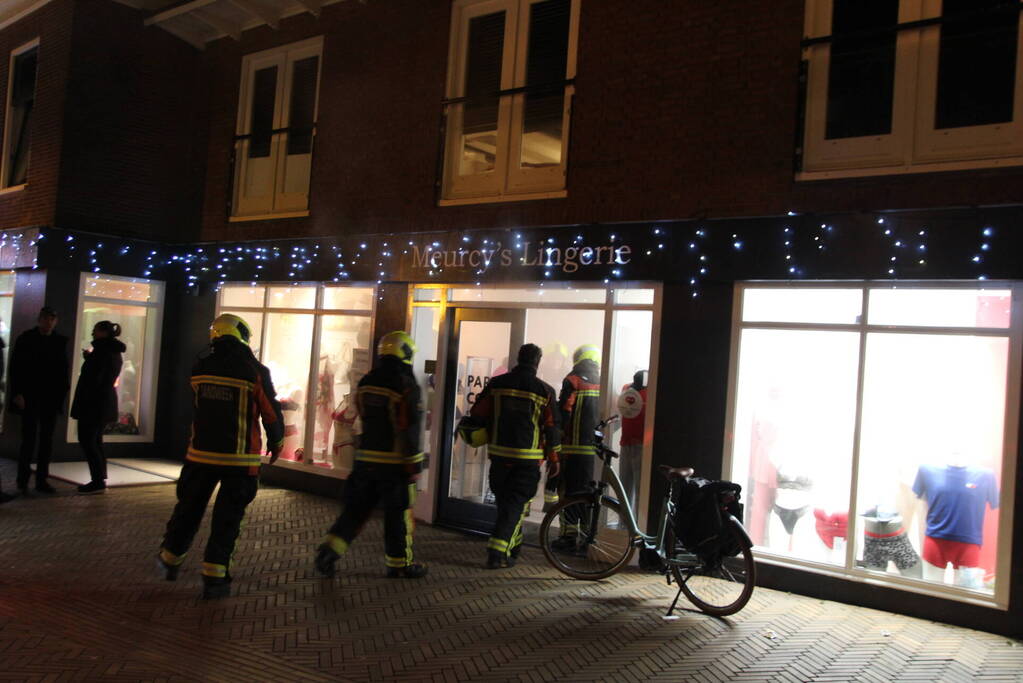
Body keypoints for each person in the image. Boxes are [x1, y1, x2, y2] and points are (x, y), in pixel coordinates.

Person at [158, 313, 284, 600]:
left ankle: (169, 559)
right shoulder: (254, 370)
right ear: (243, 336)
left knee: (188, 510)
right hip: (239, 462)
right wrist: (277, 441)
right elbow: (270, 411)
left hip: (200, 455)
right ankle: (215, 577)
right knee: (227, 519)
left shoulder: (200, 366)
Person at [315, 331, 427, 579]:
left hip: (365, 461)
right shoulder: (405, 386)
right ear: (405, 354)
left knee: (355, 511)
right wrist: (414, 467)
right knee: (397, 516)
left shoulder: (367, 381)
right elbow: (409, 429)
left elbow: (363, 416)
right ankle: (399, 564)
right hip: (394, 465)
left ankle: (329, 551)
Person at [462, 343, 561, 569]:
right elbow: (552, 427)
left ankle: (513, 549)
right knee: (515, 504)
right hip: (527, 460)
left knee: (508, 505)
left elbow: (478, 412)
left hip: (498, 457)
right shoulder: (544, 390)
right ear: (537, 362)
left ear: (518, 358)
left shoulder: (497, 384)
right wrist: (554, 459)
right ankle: (497, 551)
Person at [8, 307, 71, 495]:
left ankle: (38, 480)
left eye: (52, 319)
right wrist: (18, 393)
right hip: (33, 396)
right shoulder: (28, 339)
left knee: (44, 440)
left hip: (47, 398)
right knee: (30, 440)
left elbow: (62, 371)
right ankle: (25, 479)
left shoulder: (56, 341)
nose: (49, 323)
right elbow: (16, 368)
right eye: (46, 319)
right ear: (40, 320)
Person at [547, 344, 601, 548]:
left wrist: (557, 439)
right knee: (590, 495)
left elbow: (564, 411)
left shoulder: (573, 380)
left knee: (568, 493)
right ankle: (588, 537)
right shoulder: (604, 381)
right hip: (594, 452)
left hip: (572, 449)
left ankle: (568, 537)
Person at [70, 320, 125, 494]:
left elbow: (95, 378)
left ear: (103, 332)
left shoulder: (102, 351)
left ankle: (97, 479)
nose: (93, 333)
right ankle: (99, 478)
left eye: (95, 330)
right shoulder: (113, 351)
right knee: (96, 440)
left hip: (93, 404)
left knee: (88, 440)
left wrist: (90, 359)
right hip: (103, 403)